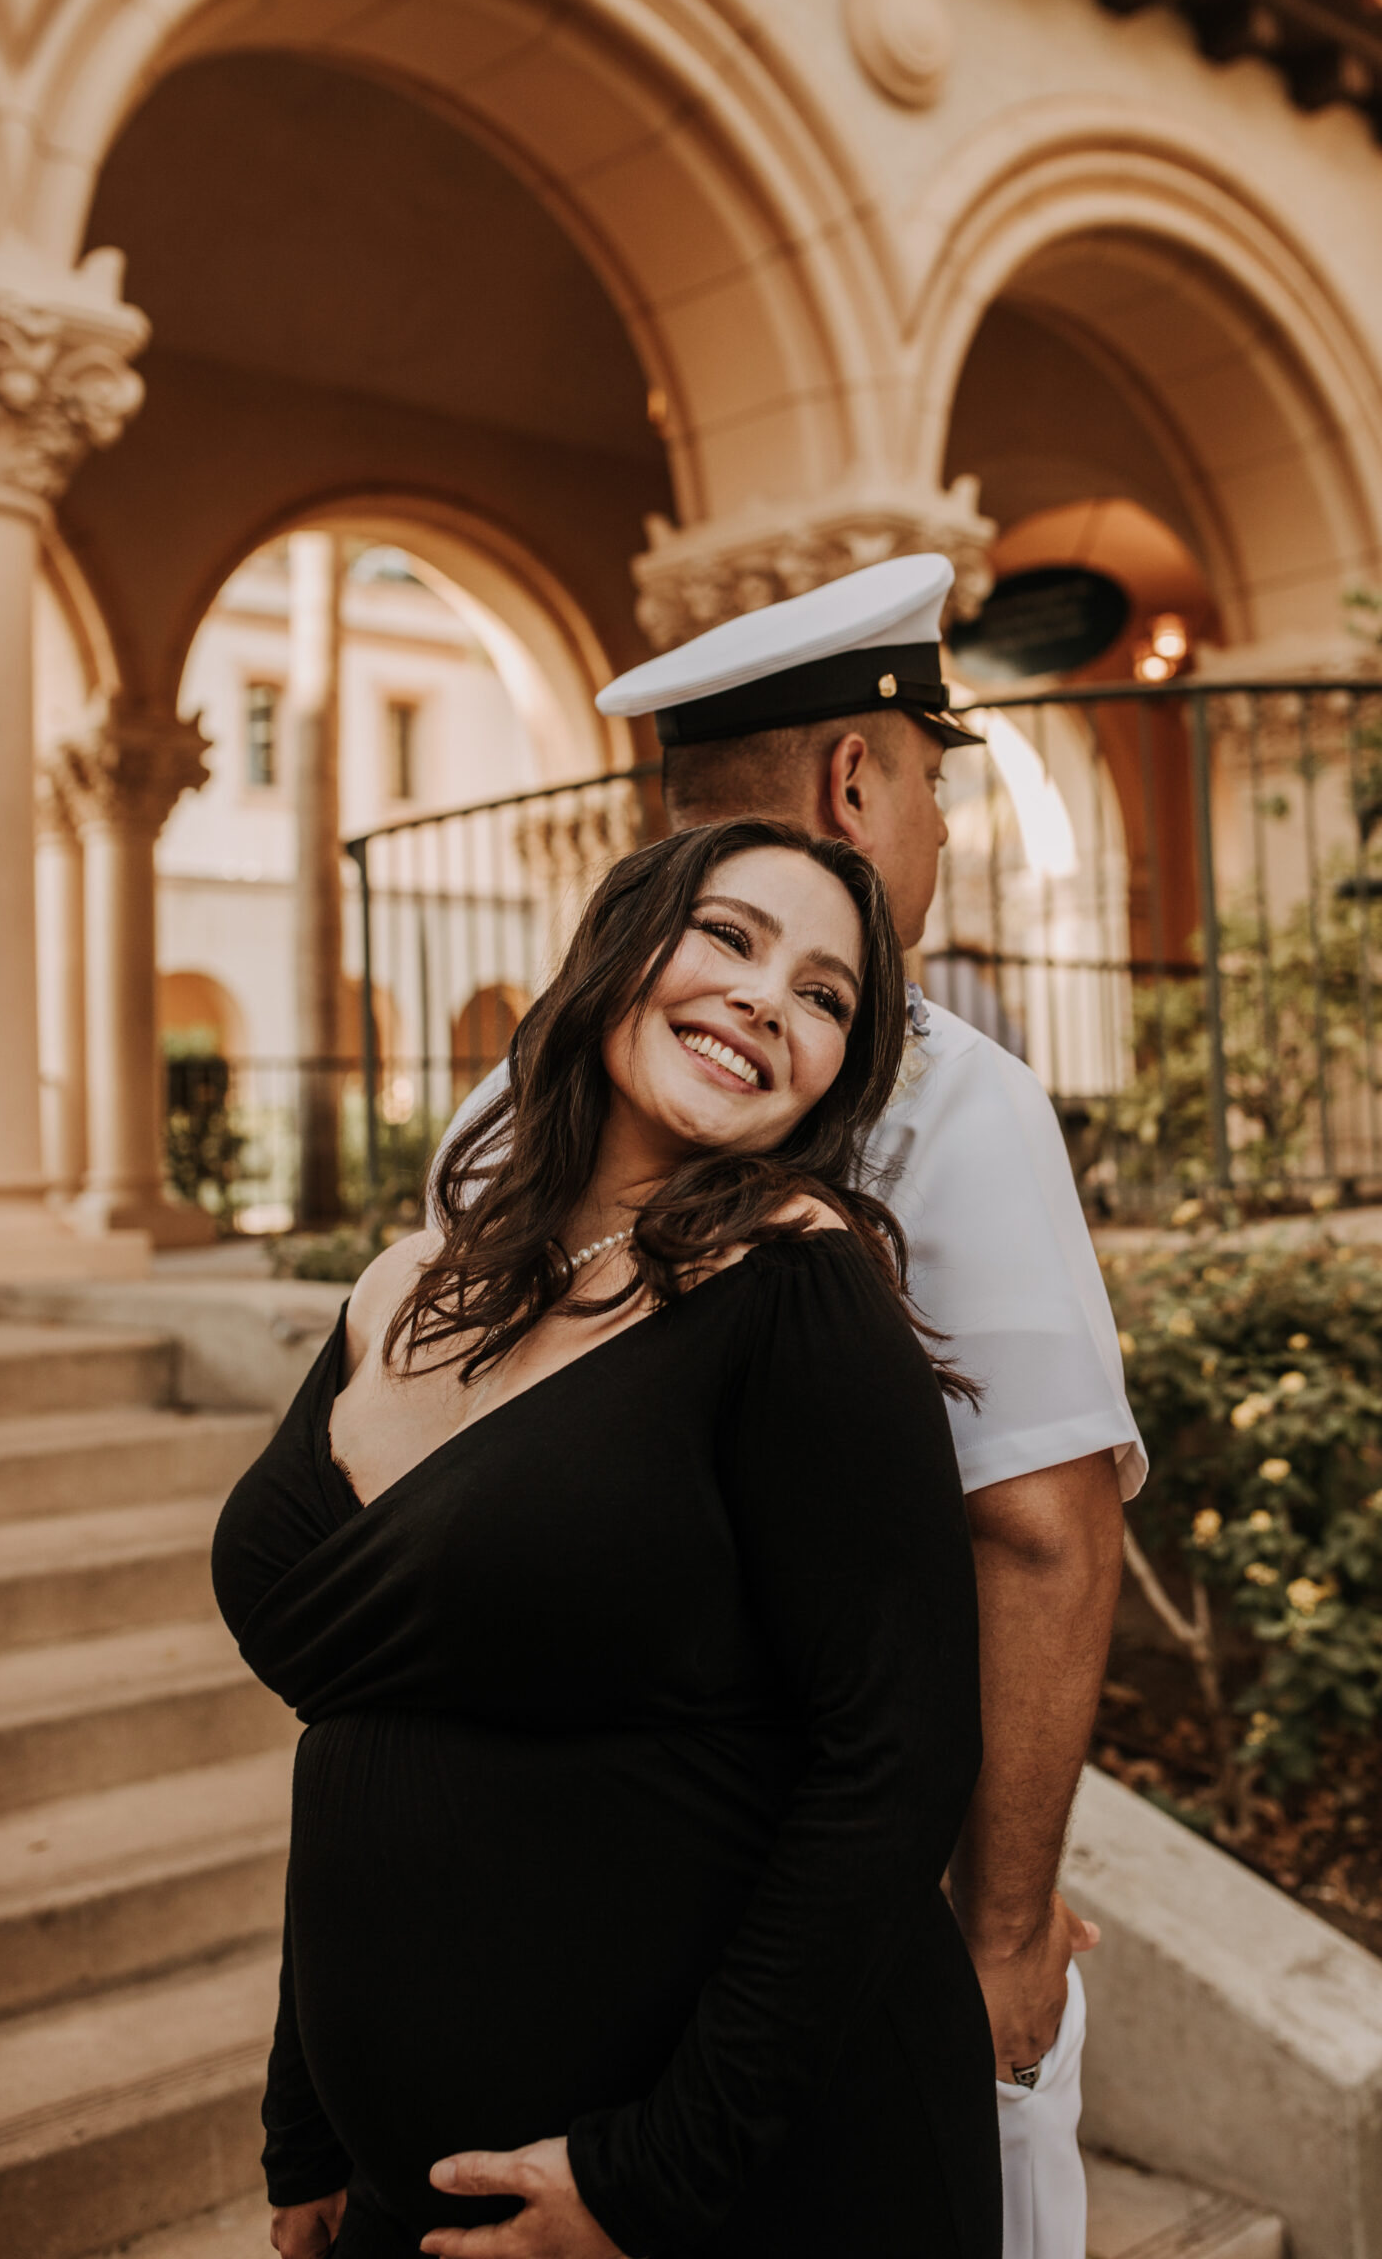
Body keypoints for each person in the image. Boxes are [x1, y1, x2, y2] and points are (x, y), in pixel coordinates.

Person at [444, 554, 1146, 2259]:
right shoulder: (951, 1094)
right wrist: (998, 1932)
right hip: (828, 1936)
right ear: (857, 780)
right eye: (932, 785)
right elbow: (1045, 1539)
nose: (947, 834)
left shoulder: (501, 1100)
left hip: (539, 1914)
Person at [213, 820, 1002, 2259]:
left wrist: (656, 2177)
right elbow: (373, 1719)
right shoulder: (404, 1283)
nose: (770, 999)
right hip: (409, 2194)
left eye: (826, 997)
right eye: (732, 936)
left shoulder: (797, 1294)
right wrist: (309, 2117)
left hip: (727, 2188)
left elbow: (898, 1755)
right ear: (619, 947)